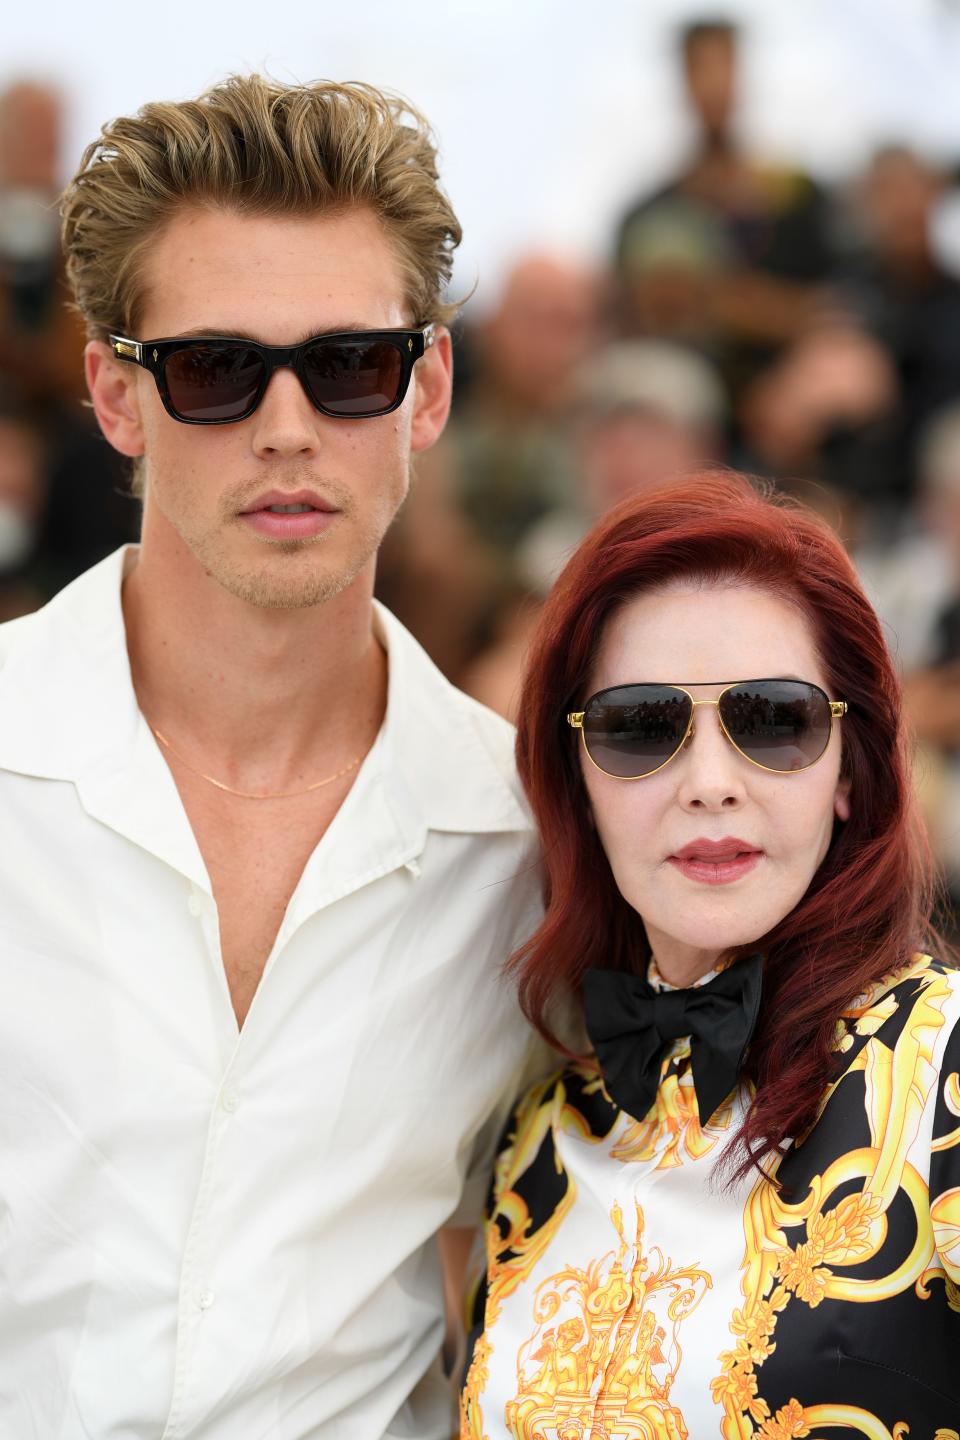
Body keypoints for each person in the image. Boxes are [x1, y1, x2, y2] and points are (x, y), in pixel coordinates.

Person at [0, 75, 545, 1439]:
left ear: (428, 394)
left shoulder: (535, 844)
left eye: (351, 363)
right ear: (117, 399)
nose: (287, 427)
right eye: (215, 368)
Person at [461, 472, 960, 1437]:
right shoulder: (535, 1134)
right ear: (578, 783)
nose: (709, 784)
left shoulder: (945, 1063)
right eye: (640, 728)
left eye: (773, 719)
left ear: (850, 772)